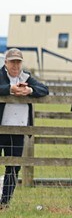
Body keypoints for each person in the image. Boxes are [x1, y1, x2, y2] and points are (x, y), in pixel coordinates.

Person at [0, 49, 50, 208]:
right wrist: (11, 89)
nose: (15, 65)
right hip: (1, 127)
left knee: (14, 166)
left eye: (18, 62)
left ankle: (5, 202)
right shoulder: (1, 76)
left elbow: (44, 89)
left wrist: (30, 90)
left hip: (18, 129)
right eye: (12, 62)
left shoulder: (26, 77)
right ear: (5, 62)